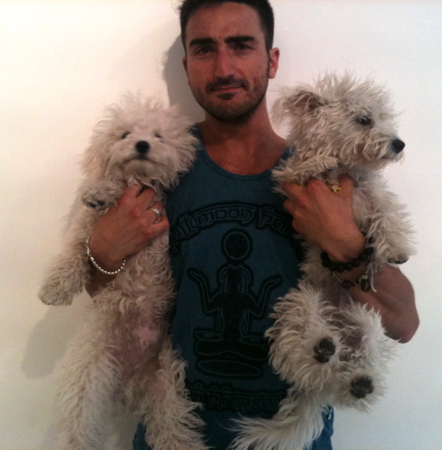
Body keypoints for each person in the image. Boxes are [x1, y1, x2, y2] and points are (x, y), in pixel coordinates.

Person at [86, 0, 419, 448]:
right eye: (204, 49)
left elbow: (403, 323)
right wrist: (101, 252)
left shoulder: (325, 176)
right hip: (173, 432)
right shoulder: (161, 163)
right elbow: (104, 293)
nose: (224, 67)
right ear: (187, 67)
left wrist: (346, 245)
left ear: (271, 60)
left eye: (241, 45)